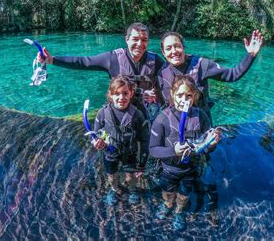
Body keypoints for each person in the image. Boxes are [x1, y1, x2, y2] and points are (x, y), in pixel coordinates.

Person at [38, 23, 164, 120]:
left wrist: (156, 95)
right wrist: (52, 60)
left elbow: (171, 83)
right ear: (127, 39)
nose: (139, 44)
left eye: (144, 40)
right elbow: (84, 62)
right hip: (119, 112)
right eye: (135, 39)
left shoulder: (155, 60)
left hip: (145, 113)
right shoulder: (113, 58)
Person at [149, 75, 220, 231]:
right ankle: (167, 205)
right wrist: (172, 150)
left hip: (191, 169)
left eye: (188, 95)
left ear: (194, 96)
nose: (184, 99)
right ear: (173, 95)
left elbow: (206, 148)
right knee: (168, 192)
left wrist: (212, 144)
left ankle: (179, 211)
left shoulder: (201, 116)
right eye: (180, 95)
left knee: (185, 193)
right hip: (169, 170)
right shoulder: (162, 119)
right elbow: (153, 150)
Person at [158, 30, 264, 123]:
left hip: (201, 125)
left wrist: (251, 55)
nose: (174, 51)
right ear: (163, 53)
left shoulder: (201, 65)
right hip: (175, 126)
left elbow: (232, 75)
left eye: (177, 46)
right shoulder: (162, 72)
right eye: (168, 48)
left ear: (183, 47)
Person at [92, 76, 150, 205]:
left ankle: (133, 189)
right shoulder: (102, 112)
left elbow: (145, 141)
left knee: (131, 176)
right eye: (116, 94)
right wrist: (97, 142)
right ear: (110, 95)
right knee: (112, 175)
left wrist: (142, 165)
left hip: (130, 153)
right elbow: (95, 134)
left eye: (125, 93)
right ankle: (114, 189)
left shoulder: (137, 115)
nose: (121, 97)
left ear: (131, 94)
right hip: (110, 153)